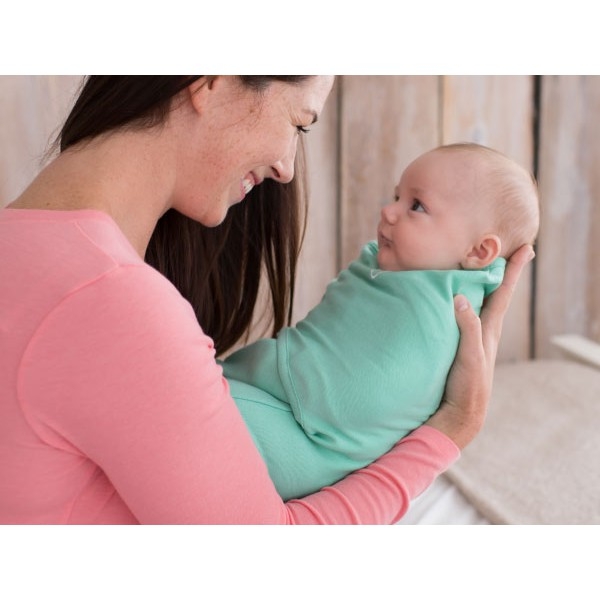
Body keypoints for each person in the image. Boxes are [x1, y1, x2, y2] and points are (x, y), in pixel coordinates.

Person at [0, 76, 534, 524]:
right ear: (210, 82)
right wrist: (451, 429)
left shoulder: (34, 253)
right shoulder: (113, 304)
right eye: (299, 124)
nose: (287, 168)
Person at [222, 142, 540, 499]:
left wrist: (262, 364)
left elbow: (351, 399)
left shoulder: (438, 319)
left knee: (208, 416)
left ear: (478, 251)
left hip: (312, 448)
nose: (388, 211)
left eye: (416, 206)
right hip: (286, 404)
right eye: (396, 197)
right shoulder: (391, 276)